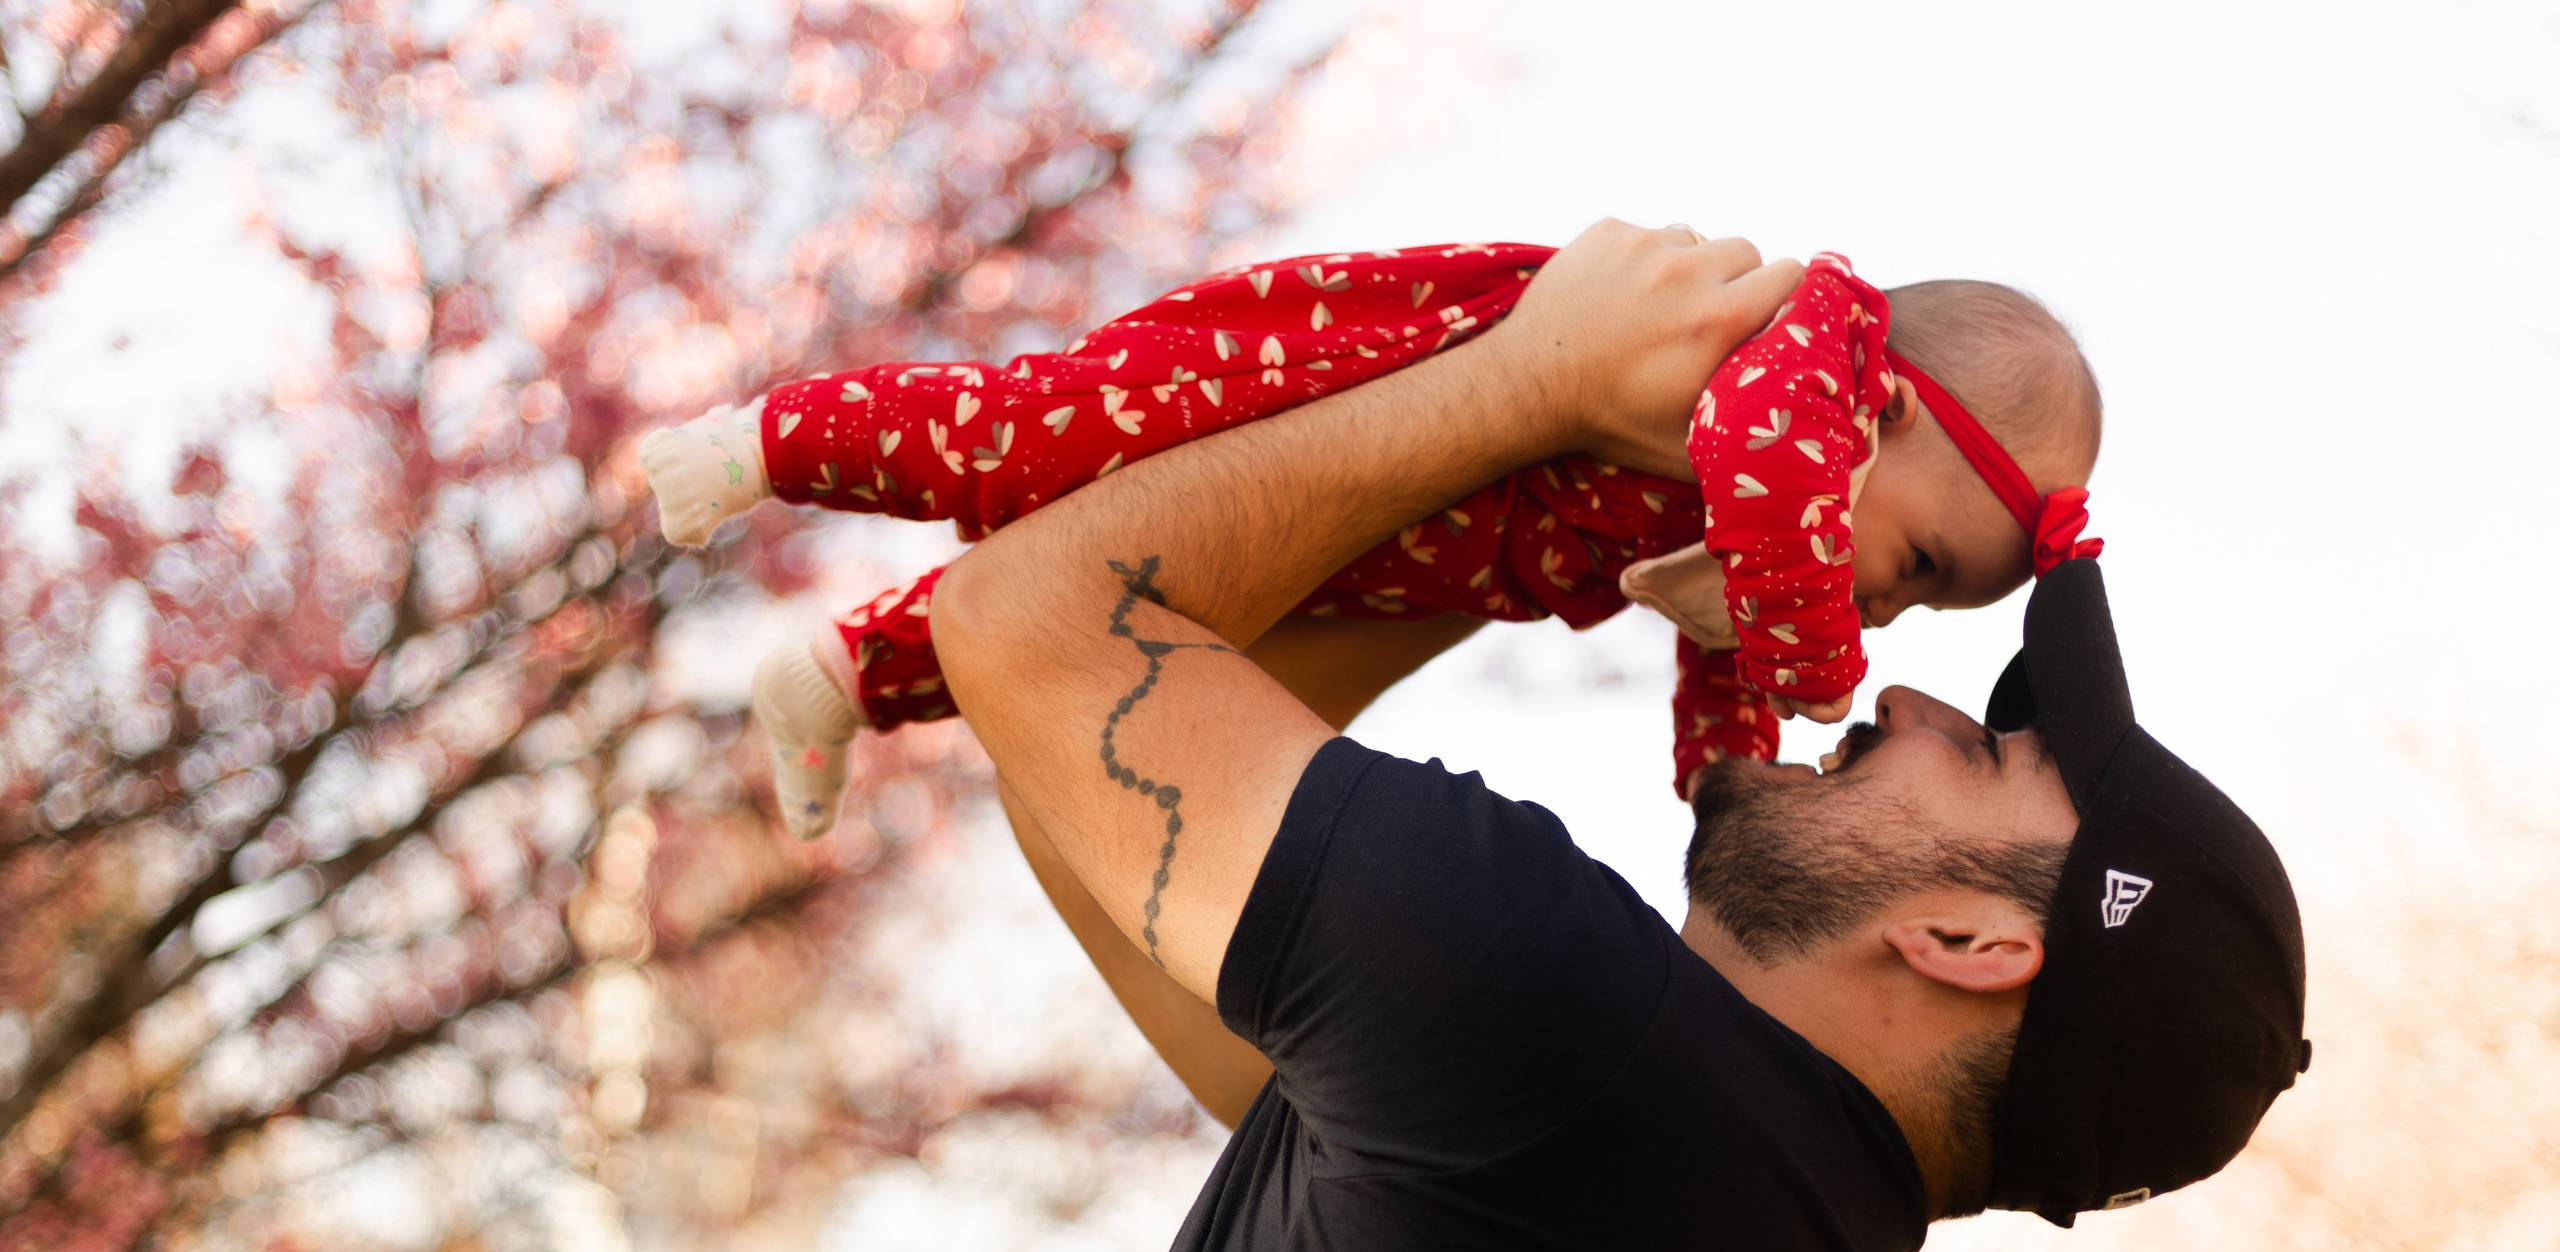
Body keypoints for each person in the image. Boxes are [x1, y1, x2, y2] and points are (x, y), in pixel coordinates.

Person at [814, 221, 2309, 1252]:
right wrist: (1541, 518)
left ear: (1978, 943)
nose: (1902, 693)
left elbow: (1018, 628)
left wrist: (1525, 388)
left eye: (1980, 750)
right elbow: (1078, 770)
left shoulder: (1560, 1038)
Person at [637, 241, 2100, 820]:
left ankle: (845, 676)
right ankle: (774, 441)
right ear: (1890, 407)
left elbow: (1725, 657)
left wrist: (1730, 793)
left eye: (1916, 609)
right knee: (1052, 442)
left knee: (1152, 621)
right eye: (1913, 568)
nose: (1879, 614)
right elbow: (1776, 541)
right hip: (1341, 377)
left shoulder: (1785, 540)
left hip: (1406, 529)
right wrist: (1818, 666)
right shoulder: (1794, 355)